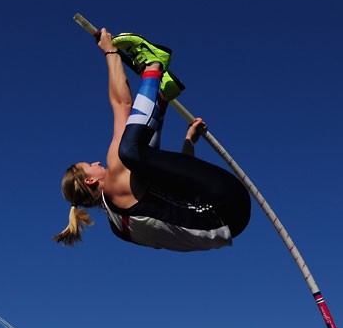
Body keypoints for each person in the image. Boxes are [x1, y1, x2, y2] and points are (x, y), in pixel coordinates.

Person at [54, 28, 251, 251]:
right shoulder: (115, 185)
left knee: (139, 157)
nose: (97, 163)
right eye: (90, 166)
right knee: (128, 151)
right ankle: (154, 64)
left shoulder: (118, 226)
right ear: (89, 181)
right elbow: (122, 105)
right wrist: (110, 52)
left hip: (228, 217)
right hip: (224, 204)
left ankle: (162, 97)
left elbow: (177, 203)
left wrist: (189, 143)